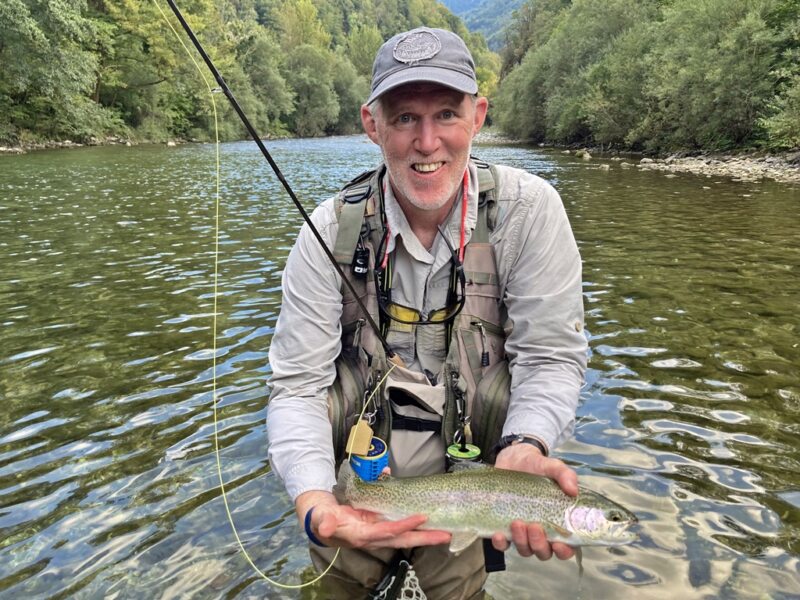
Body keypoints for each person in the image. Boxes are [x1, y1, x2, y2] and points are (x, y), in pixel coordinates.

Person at [267, 26, 587, 599]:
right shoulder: (327, 231)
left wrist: (526, 444)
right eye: (404, 118)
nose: (427, 141)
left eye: (445, 114)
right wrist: (314, 501)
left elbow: (550, 357)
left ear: (478, 116)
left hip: (474, 488)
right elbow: (297, 386)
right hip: (356, 487)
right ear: (372, 125)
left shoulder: (531, 213)